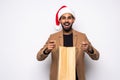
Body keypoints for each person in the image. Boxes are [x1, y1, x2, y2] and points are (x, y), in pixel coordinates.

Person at [37, 5, 99, 80]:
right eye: (63, 18)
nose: (66, 21)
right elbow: (39, 57)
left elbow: (96, 57)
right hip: (58, 77)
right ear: (60, 20)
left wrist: (89, 49)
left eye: (69, 18)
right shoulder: (53, 37)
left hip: (77, 77)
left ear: (73, 20)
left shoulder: (82, 36)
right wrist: (47, 50)